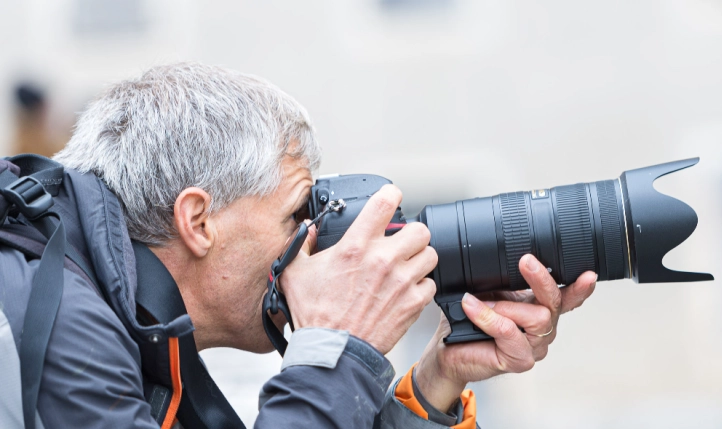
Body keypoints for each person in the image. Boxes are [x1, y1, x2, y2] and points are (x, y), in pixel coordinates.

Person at [0, 63, 597, 428]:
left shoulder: (126, 320)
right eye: (296, 215)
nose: (315, 245)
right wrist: (334, 346)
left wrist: (435, 383)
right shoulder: (52, 322)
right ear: (199, 221)